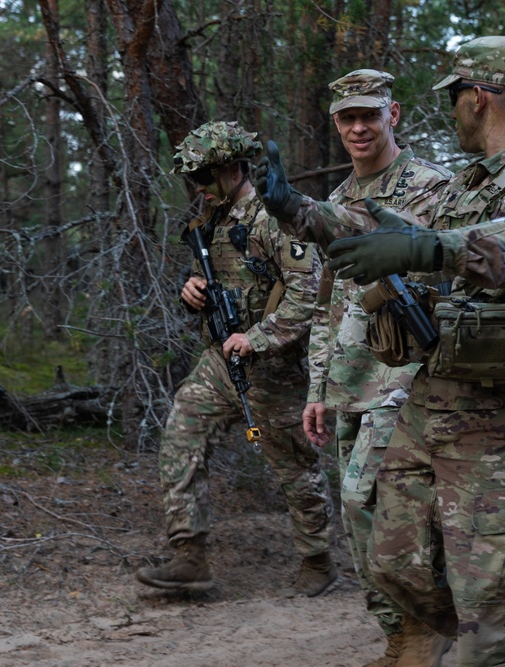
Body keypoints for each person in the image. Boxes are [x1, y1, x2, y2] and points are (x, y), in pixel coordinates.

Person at [259, 36, 505, 667]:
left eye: (455, 99)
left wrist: (426, 250)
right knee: (391, 560)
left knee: (484, 602)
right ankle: (499, 628)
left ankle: (494, 635)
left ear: (478, 98)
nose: (452, 112)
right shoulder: (471, 183)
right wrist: (295, 209)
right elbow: (380, 232)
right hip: (434, 395)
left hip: (503, 412)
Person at [135, 121, 336, 598]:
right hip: (219, 363)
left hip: (273, 369)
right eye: (193, 180)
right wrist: (191, 293)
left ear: (232, 169)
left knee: (294, 466)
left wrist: (258, 338)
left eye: (204, 177)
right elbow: (221, 282)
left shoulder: (274, 217)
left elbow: (309, 295)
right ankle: (189, 556)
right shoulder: (214, 220)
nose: (198, 189)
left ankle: (318, 558)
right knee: (181, 436)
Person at [301, 69, 452, 667]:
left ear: (394, 115)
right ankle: (407, 635)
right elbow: (325, 305)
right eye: (347, 118)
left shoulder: (434, 189)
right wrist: (317, 388)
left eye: (370, 114)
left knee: (376, 509)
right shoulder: (335, 202)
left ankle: (434, 630)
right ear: (336, 124)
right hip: (348, 382)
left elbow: (461, 285)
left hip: (409, 381)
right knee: (360, 515)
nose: (359, 127)